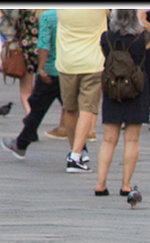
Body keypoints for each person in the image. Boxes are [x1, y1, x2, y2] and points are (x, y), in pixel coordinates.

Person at [92, 9, 150, 197]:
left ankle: (101, 184)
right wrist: (143, 21)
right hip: (136, 88)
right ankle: (126, 185)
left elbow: (106, 56)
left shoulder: (106, 37)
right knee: (131, 139)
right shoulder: (142, 38)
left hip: (112, 88)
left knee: (108, 139)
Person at [1, 9, 61, 159]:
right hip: (65, 66)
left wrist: (41, 67)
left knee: (30, 98)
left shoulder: (39, 14)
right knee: (70, 109)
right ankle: (80, 151)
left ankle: (23, 139)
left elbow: (43, 43)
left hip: (38, 59)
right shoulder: (63, 14)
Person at [57, 8, 109, 173]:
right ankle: (76, 154)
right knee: (87, 109)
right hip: (93, 62)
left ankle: (76, 151)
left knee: (70, 109)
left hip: (67, 61)